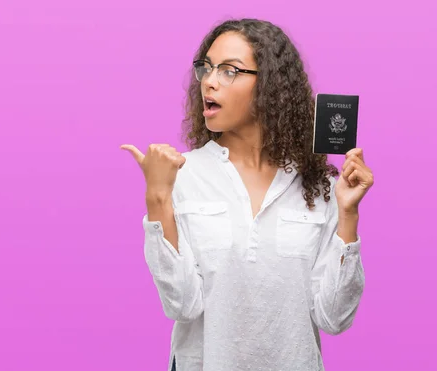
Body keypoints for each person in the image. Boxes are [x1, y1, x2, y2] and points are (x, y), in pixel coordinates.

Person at [120, 18, 374, 371]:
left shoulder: (320, 185)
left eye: (229, 71)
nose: (209, 81)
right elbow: (181, 305)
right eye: (206, 68)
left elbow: (334, 318)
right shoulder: (180, 174)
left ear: (270, 85)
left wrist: (348, 214)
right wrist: (157, 197)